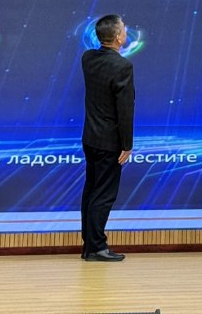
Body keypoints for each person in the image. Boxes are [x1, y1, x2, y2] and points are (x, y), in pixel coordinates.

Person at [80, 14, 135, 262]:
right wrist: (127, 144)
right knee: (103, 195)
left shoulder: (88, 58)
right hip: (109, 141)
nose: (126, 32)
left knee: (92, 191)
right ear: (118, 38)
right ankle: (96, 247)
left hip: (90, 137)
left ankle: (90, 244)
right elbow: (125, 108)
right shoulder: (122, 66)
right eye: (124, 29)